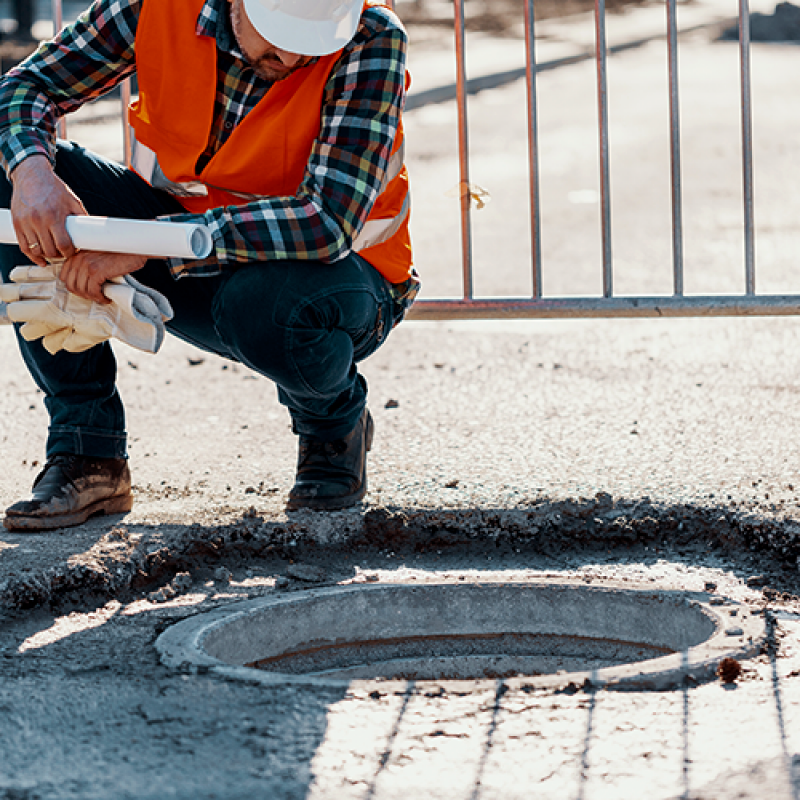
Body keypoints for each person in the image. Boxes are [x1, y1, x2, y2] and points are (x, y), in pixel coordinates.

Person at [0, 0, 417, 531]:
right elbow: (25, 87)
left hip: (330, 281)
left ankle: (332, 425)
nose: (290, 57)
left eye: (310, 42)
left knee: (265, 307)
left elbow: (326, 222)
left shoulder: (370, 36)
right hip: (185, 258)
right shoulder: (159, 7)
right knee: (11, 173)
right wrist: (32, 173)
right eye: (276, 34)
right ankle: (88, 453)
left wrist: (153, 243)